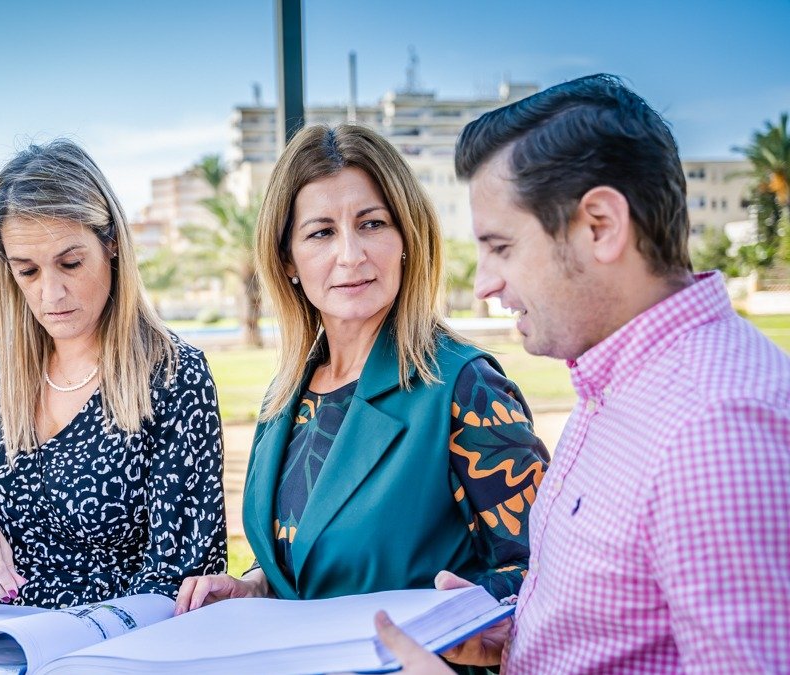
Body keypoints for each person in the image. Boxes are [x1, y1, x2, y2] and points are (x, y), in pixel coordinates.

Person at [378, 74, 790, 673]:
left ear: (600, 225)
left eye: (501, 246)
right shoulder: (624, 385)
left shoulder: (713, 429)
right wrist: (526, 636)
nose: (485, 283)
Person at [175, 125, 548, 629]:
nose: (350, 255)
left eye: (371, 224)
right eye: (321, 232)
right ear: (287, 259)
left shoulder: (466, 387)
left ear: (406, 238)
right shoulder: (286, 395)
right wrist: (255, 586)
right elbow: (305, 551)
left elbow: (545, 571)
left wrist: (451, 613)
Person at [0, 139, 227, 609]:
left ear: (110, 243)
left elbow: (183, 571)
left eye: (70, 263)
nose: (52, 292)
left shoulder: (173, 374)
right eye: (27, 271)